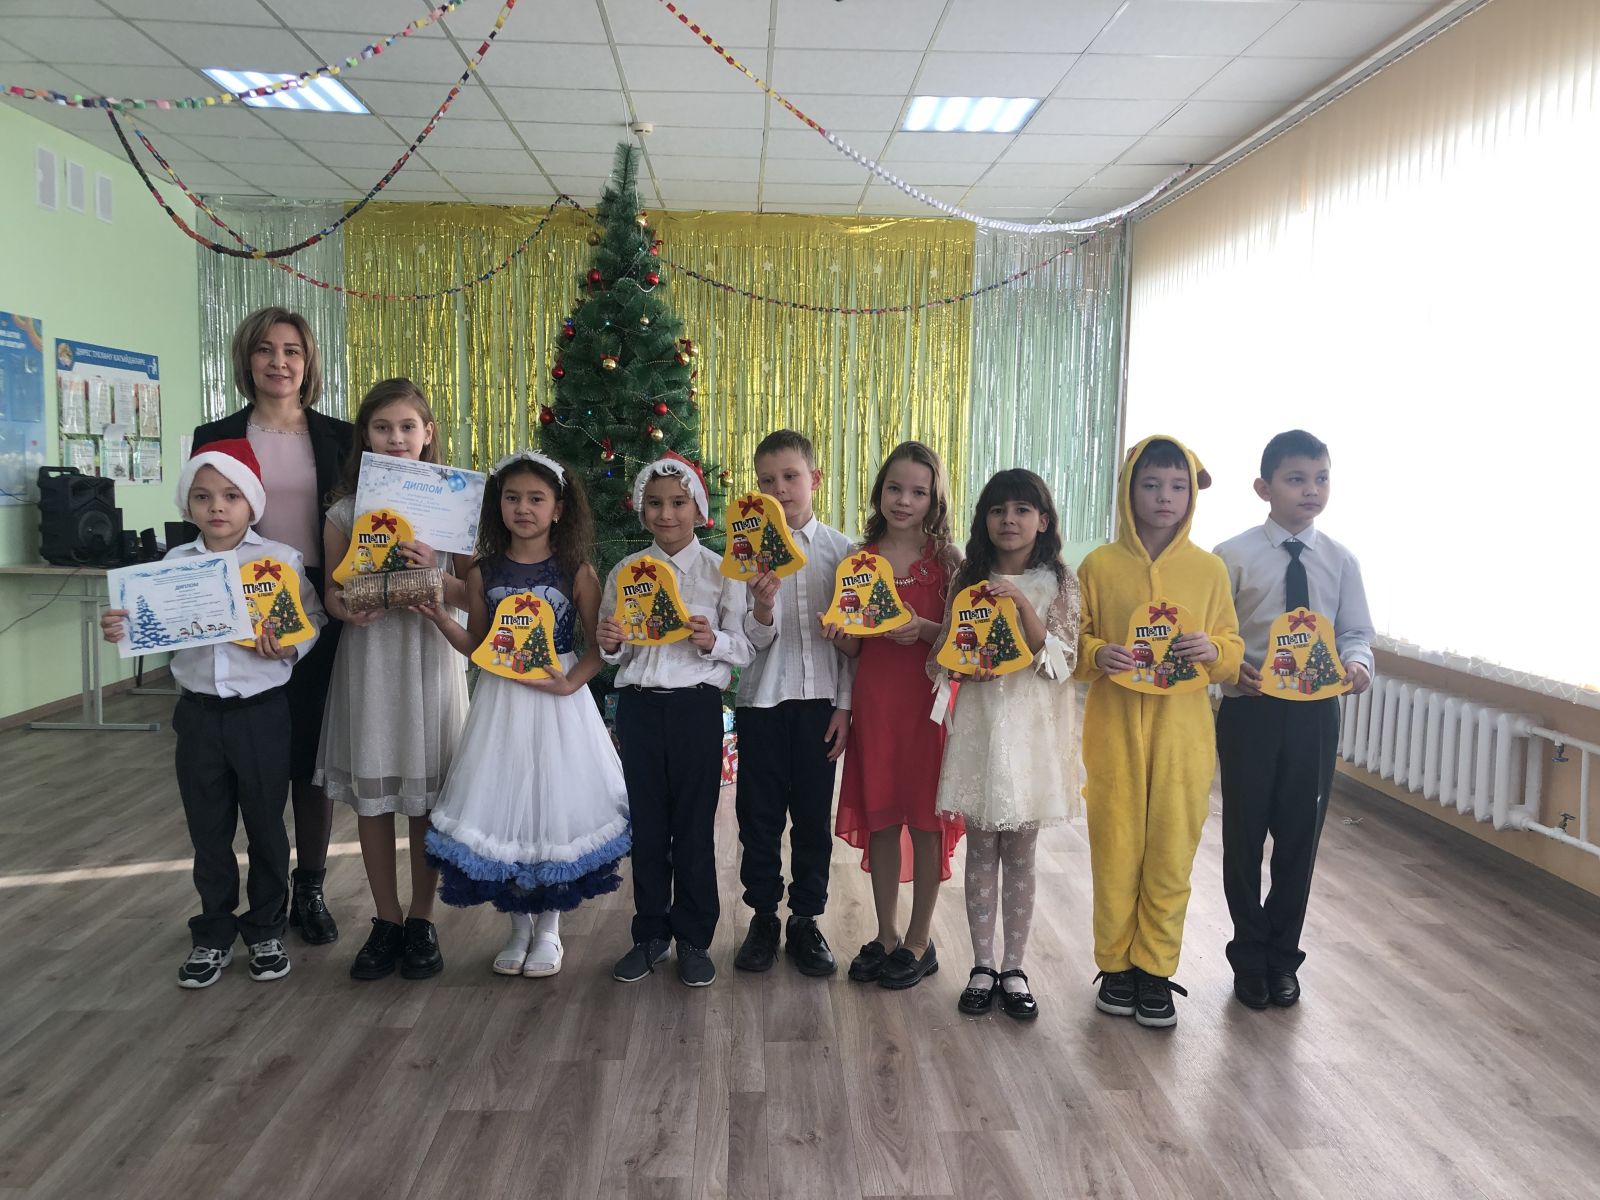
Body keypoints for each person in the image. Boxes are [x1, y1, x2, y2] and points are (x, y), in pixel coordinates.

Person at [101, 440, 326, 987]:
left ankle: (267, 928)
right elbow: (148, 624)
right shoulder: (170, 566)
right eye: (202, 497)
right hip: (198, 716)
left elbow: (313, 617)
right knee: (208, 829)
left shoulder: (280, 560)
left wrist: (290, 647)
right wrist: (122, 627)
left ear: (252, 503)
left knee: (267, 827)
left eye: (230, 495)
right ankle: (213, 934)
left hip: (261, 714)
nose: (217, 507)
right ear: (188, 505)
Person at [419, 452, 630, 979]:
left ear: (559, 508)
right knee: (505, 802)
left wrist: (570, 683)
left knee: (551, 804)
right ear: (498, 506)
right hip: (502, 701)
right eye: (512, 498)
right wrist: (441, 618)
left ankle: (550, 929)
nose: (523, 508)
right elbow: (478, 644)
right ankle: (517, 929)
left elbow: (597, 645)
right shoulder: (483, 571)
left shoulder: (577, 572)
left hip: (558, 700)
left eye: (536, 499)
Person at [192, 306, 352, 946]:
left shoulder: (341, 437)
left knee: (311, 755)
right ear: (246, 359)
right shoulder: (216, 433)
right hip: (238, 600)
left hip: (320, 602)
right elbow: (199, 519)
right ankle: (258, 895)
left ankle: (309, 887)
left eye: (291, 350)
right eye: (264, 349)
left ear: (308, 362)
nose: (278, 362)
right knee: (249, 753)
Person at [1076, 435, 1243, 1028]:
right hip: (1113, 731)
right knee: (1115, 849)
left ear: (1192, 493)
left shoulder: (1209, 570)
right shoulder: (1098, 566)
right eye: (1150, 485)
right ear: (1128, 490)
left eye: (1176, 486)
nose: (1164, 497)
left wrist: (1213, 650)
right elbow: (1073, 640)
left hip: (1184, 739)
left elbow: (1231, 648)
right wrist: (1098, 653)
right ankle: (1115, 967)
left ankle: (1155, 969)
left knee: (1172, 852)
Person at [315, 379, 469, 981]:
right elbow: (331, 592)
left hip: (431, 656)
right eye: (382, 428)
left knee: (427, 801)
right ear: (366, 437)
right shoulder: (344, 510)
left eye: (407, 426)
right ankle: (386, 918)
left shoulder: (456, 505)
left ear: (428, 433)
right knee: (375, 800)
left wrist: (438, 573)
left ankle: (423, 919)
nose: (396, 438)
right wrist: (344, 609)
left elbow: (473, 595)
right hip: (372, 660)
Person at [1214, 430, 1374, 1010]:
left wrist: (1358, 664)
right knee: (1244, 835)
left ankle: (1284, 958)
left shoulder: (1340, 559)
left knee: (1299, 839)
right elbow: (1218, 634)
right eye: (1296, 479)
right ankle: (1248, 955)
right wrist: (1229, 671)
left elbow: (1355, 631)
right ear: (1264, 488)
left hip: (1316, 714)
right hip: (1250, 708)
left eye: (1321, 478)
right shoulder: (1230, 556)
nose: (1311, 490)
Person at [598, 451, 754, 988]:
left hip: (695, 708)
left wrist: (713, 641)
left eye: (678, 503)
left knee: (692, 826)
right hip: (638, 709)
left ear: (698, 509)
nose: (666, 515)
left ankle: (693, 937)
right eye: (655, 504)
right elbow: (614, 649)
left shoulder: (720, 572)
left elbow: (745, 648)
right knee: (647, 826)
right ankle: (649, 935)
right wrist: (611, 642)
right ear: (641, 509)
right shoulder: (625, 572)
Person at [931, 469, 1080, 1021]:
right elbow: (942, 656)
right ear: (984, 520)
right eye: (997, 510)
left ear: (1043, 520)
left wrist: (1021, 606)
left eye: (1022, 509)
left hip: (1032, 736)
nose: (1009, 520)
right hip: (979, 731)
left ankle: (1014, 969)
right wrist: (959, 669)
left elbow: (1063, 665)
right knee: (980, 850)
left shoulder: (1058, 581)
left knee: (1020, 855)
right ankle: (982, 965)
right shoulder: (967, 579)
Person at [829, 441, 964, 991]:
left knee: (927, 823)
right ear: (879, 491)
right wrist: (840, 636)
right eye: (894, 488)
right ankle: (885, 935)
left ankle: (918, 940)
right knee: (882, 819)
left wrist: (925, 630)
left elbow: (967, 639)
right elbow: (855, 647)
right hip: (876, 706)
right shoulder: (857, 559)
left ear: (934, 499)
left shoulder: (949, 562)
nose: (904, 500)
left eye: (918, 492)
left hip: (928, 710)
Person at [731, 431, 855, 978]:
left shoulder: (844, 553)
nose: (779, 489)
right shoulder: (746, 553)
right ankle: (763, 917)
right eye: (767, 481)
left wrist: (845, 707)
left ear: (814, 480)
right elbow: (747, 644)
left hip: (820, 707)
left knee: (811, 819)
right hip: (761, 703)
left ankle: (805, 918)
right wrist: (761, 608)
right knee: (757, 818)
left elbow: (856, 645)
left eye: (790, 477)